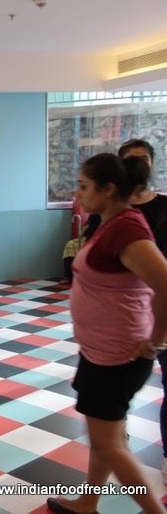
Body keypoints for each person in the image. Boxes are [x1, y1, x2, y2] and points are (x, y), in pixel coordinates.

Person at [46, 152, 167, 514]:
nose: (78, 193)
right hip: (101, 352)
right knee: (103, 439)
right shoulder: (109, 223)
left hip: (118, 357)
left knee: (110, 445)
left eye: (84, 186)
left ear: (109, 189)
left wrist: (155, 341)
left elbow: (165, 284)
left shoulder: (127, 229)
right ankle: (88, 502)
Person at [119, 138, 167, 484]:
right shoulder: (112, 210)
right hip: (125, 315)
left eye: (143, 160)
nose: (138, 166)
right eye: (131, 160)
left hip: (161, 309)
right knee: (116, 387)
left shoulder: (164, 207)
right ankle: (114, 441)